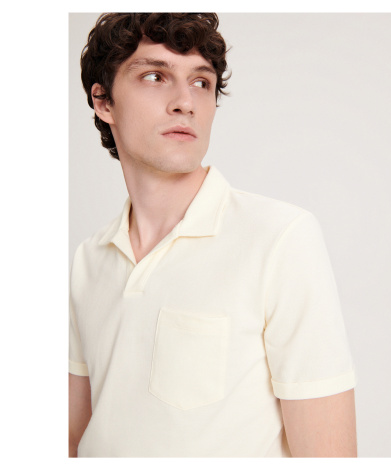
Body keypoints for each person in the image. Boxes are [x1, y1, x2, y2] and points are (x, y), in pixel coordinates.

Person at [69, 12, 358, 458]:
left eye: (201, 82)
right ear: (103, 101)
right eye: (155, 76)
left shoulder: (280, 239)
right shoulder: (89, 259)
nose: (185, 101)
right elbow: (71, 438)